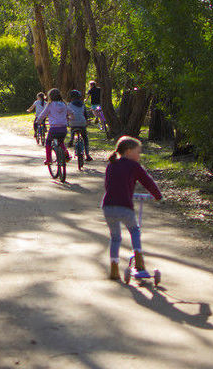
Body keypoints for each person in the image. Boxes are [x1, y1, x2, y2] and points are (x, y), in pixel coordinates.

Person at [101, 136, 162, 281]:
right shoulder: (134, 166)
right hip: (124, 206)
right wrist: (158, 196)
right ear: (128, 151)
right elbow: (148, 182)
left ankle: (114, 268)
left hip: (108, 206)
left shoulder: (111, 164)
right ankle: (139, 261)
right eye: (138, 152)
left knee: (115, 237)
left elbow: (108, 186)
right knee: (135, 230)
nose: (139, 155)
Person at [35, 88, 71, 165]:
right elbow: (72, 113)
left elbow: (43, 114)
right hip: (63, 128)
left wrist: (38, 121)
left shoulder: (50, 105)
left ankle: (48, 159)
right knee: (61, 141)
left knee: (48, 141)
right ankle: (66, 154)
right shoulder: (64, 104)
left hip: (54, 128)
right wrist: (69, 118)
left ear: (50, 96)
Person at [67, 90, 92, 161]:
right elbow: (85, 115)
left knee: (72, 128)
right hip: (82, 122)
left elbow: (67, 114)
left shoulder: (69, 104)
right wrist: (87, 122)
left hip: (73, 123)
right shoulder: (83, 104)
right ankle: (87, 155)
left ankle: (71, 139)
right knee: (85, 138)